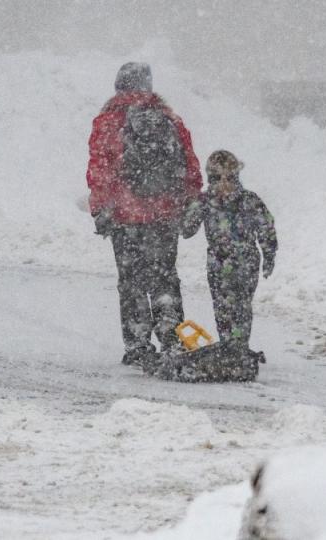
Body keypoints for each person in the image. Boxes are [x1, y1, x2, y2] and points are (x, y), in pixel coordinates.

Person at [86, 62, 202, 365]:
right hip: (163, 215)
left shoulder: (108, 121)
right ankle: (171, 337)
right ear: (148, 87)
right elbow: (189, 164)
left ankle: (138, 344)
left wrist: (101, 207)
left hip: (125, 216)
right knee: (165, 278)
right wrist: (189, 202)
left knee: (131, 280)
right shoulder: (170, 119)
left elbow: (101, 170)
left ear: (118, 86)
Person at [182, 150, 277, 350]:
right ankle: (228, 344)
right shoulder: (205, 201)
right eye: (217, 178)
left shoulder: (249, 200)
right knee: (222, 305)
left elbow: (266, 226)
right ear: (210, 179)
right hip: (218, 260)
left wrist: (269, 254)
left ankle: (239, 344)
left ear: (237, 176)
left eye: (229, 177)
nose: (224, 184)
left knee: (241, 304)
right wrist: (187, 206)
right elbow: (187, 229)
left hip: (246, 261)